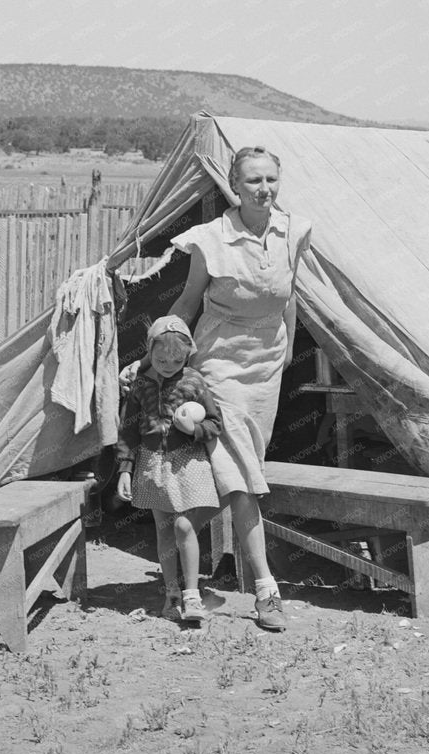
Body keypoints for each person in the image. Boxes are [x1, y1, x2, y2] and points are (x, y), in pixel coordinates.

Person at [167, 145, 312, 631]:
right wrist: (162, 358)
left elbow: (288, 295)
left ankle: (184, 569)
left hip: (266, 365)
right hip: (219, 360)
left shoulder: (293, 231)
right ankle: (267, 589)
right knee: (244, 469)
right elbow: (188, 301)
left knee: (241, 467)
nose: (264, 189)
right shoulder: (212, 239)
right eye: (253, 181)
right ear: (235, 185)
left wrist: (287, 348)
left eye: (271, 179)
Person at [115, 316, 224, 625]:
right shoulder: (141, 386)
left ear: (187, 354)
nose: (168, 364)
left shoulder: (194, 382)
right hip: (152, 463)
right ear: (150, 351)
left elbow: (216, 422)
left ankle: (192, 595)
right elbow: (128, 430)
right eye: (161, 358)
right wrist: (125, 468)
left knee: (185, 527)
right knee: (163, 530)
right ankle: (171, 593)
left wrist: (194, 429)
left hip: (187, 461)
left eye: (176, 359)